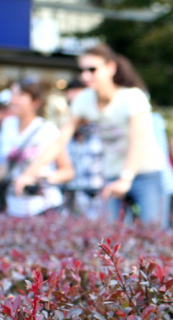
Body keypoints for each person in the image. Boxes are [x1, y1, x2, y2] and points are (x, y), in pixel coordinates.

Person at [14, 44, 168, 226]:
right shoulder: (84, 100)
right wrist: (29, 174)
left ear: (110, 68)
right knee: (106, 237)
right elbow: (60, 140)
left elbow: (138, 140)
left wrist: (125, 179)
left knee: (154, 231)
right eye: (82, 70)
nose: (85, 76)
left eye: (92, 69)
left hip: (146, 173)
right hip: (112, 175)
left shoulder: (133, 97)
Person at [0, 79, 74, 216]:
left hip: (43, 207)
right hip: (13, 207)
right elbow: (5, 166)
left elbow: (67, 171)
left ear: (35, 101)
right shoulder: (8, 125)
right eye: (12, 94)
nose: (13, 100)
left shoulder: (48, 130)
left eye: (20, 95)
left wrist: (42, 179)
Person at [62, 78, 105, 218]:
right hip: (73, 208)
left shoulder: (104, 130)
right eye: (70, 103)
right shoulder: (68, 135)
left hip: (101, 207)